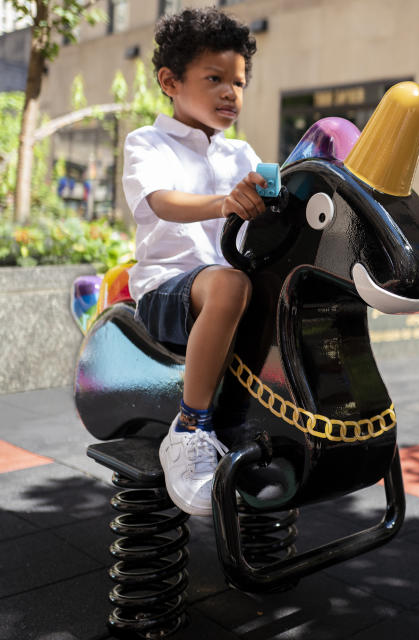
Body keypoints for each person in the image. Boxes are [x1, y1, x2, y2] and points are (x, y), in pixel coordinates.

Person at [122, 7, 264, 516]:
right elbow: (161, 201)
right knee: (229, 285)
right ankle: (190, 424)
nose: (232, 93)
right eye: (215, 79)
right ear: (170, 80)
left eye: (239, 83)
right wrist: (225, 202)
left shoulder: (242, 154)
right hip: (167, 291)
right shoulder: (148, 142)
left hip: (225, 286)